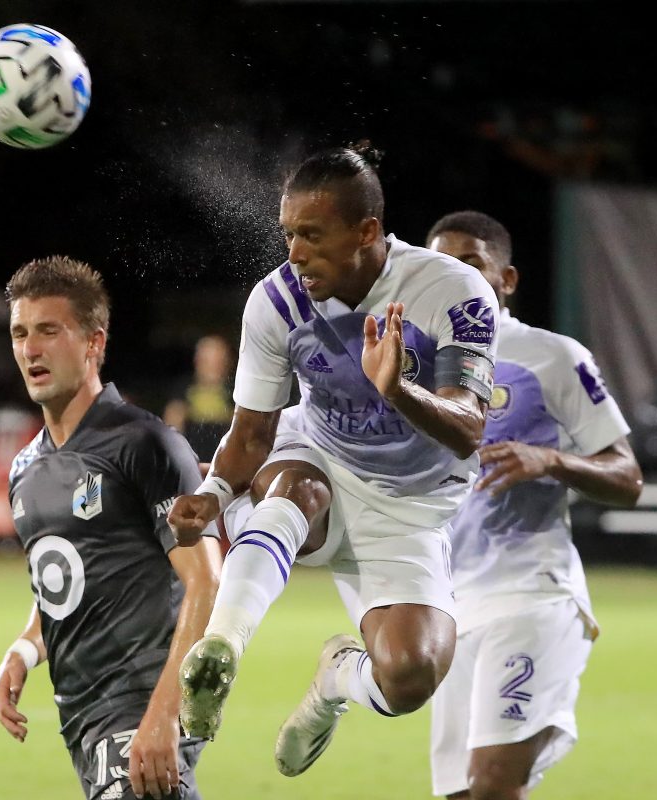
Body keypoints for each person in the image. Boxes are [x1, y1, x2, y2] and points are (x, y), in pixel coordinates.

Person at [168, 144, 501, 778]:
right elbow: (252, 431)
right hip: (317, 455)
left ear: (367, 232)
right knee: (293, 488)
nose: (295, 252)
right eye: (289, 234)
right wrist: (212, 494)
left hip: (412, 506)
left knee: (409, 678)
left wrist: (399, 389)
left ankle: (336, 679)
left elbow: (468, 429)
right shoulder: (277, 301)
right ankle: (221, 647)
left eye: (313, 236)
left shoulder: (453, 291)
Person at [424, 210, 643, 799]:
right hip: (446, 611)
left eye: (470, 264)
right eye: (441, 264)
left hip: (530, 594)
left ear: (507, 279)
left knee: (493, 784)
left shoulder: (552, 356)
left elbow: (627, 477)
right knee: (463, 794)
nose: (454, 277)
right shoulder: (413, 369)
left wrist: (552, 461)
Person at [0, 256, 222, 800]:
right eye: (20, 333)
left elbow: (207, 581)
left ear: (94, 343)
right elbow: (65, 583)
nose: (30, 349)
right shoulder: (25, 470)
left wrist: (167, 714)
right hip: (83, 718)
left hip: (144, 700)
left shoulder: (145, 444)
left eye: (50, 331)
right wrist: (24, 651)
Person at [162, 335, 235, 461]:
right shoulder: (184, 389)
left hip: (226, 464)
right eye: (208, 360)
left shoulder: (235, 392)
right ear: (198, 361)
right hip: (192, 462)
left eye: (219, 360)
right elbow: (171, 428)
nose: (215, 367)